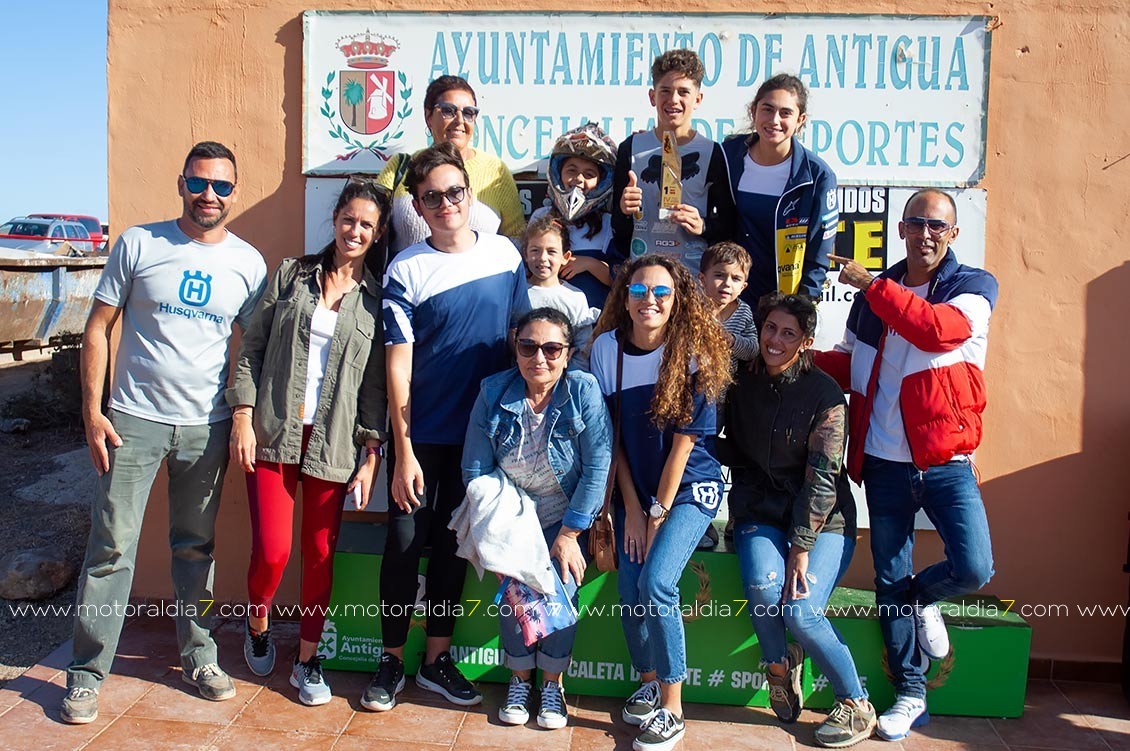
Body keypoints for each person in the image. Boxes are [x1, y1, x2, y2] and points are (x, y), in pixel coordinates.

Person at [61, 142, 267, 724]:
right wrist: (92, 410)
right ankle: (85, 673)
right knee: (111, 549)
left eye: (222, 186)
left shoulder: (248, 263)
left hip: (207, 427)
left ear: (233, 192)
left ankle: (200, 658)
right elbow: (99, 327)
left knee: (195, 550)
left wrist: (245, 416)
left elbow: (249, 350)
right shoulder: (139, 243)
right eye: (199, 183)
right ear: (181, 184)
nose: (210, 195)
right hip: (131, 421)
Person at [815, 189, 997, 742]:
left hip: (946, 459)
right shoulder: (873, 298)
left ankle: (925, 599)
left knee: (974, 568)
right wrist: (795, 357)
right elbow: (851, 363)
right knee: (889, 578)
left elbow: (935, 330)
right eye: (916, 222)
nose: (925, 233)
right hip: (883, 461)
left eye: (936, 225)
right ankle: (910, 694)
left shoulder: (974, 286)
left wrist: (873, 283)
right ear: (901, 228)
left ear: (953, 233)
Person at [365, 141, 529, 712]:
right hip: (421, 436)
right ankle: (391, 660)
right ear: (416, 204)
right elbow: (397, 365)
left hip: (483, 439)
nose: (444, 204)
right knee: (405, 545)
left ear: (470, 193)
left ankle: (436, 661)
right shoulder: (404, 268)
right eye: (430, 196)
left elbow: (523, 344)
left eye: (454, 192)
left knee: (453, 549)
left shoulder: (508, 256)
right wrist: (402, 450)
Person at [226, 179, 390, 705]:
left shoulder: (374, 303)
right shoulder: (292, 274)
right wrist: (244, 416)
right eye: (349, 219)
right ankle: (257, 624)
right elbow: (250, 348)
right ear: (335, 219)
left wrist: (371, 455)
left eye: (367, 224)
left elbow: (373, 391)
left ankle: (308, 659)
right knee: (273, 551)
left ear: (378, 232)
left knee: (320, 554)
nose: (355, 231)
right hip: (275, 432)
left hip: (334, 442)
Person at [720, 293, 875, 748]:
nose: (775, 340)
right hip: (759, 509)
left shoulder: (825, 395)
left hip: (823, 521)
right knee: (765, 592)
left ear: (806, 341)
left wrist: (801, 547)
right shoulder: (740, 381)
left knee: (802, 611)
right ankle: (780, 669)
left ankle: (856, 704)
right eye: (770, 328)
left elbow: (824, 479)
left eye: (789, 333)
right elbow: (727, 441)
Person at [589, 255, 731, 751]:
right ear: (623, 297)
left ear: (678, 299)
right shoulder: (607, 350)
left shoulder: (694, 351)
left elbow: (685, 446)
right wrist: (630, 507)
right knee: (632, 591)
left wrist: (656, 514)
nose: (649, 300)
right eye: (638, 290)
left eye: (662, 292)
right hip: (639, 492)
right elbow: (615, 442)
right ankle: (650, 680)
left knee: (657, 581)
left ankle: (673, 707)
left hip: (690, 488)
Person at [461, 307, 612, 730]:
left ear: (567, 354)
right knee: (516, 588)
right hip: (510, 512)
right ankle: (519, 678)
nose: (539, 358)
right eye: (529, 346)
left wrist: (569, 533)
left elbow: (598, 466)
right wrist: (497, 539)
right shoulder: (493, 392)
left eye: (551, 348)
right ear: (516, 348)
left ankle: (552, 685)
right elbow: (474, 471)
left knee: (561, 586)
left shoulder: (582, 391)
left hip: (566, 513)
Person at [612, 49, 737, 273]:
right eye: (665, 91)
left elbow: (731, 225)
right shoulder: (630, 148)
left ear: (697, 99)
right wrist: (623, 210)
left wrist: (703, 225)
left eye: (683, 92)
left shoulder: (712, 151)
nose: (673, 100)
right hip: (643, 274)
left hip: (692, 275)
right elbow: (618, 229)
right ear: (652, 96)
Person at [721, 74, 839, 304]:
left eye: (785, 113)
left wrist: (800, 310)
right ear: (753, 111)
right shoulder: (727, 155)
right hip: (726, 300)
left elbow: (819, 257)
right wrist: (654, 141)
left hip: (781, 305)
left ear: (800, 120)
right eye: (767, 109)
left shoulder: (817, 176)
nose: (774, 120)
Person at [377, 75, 524, 255]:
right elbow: (369, 228)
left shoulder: (497, 171)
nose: (460, 120)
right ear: (428, 116)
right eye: (448, 111)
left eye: (469, 113)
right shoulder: (400, 167)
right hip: (410, 281)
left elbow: (517, 240)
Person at [696, 240, 758, 545]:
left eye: (735, 279)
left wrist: (729, 339)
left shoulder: (743, 313)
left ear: (744, 285)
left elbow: (754, 349)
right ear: (702, 278)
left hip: (724, 401)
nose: (726, 284)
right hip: (693, 399)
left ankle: (730, 518)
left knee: (721, 460)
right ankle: (697, 519)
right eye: (719, 275)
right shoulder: (691, 309)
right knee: (694, 459)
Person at [530, 122, 621, 308]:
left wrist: (589, 264)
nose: (579, 179)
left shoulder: (607, 224)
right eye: (572, 170)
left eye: (589, 174)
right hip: (545, 322)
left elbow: (620, 280)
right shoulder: (540, 217)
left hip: (592, 323)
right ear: (558, 173)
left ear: (602, 182)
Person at [523, 214, 599, 370]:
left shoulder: (575, 298)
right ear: (526, 254)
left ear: (566, 257)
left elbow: (582, 349)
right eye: (535, 250)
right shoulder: (517, 293)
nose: (543, 258)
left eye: (551, 251)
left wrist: (572, 380)